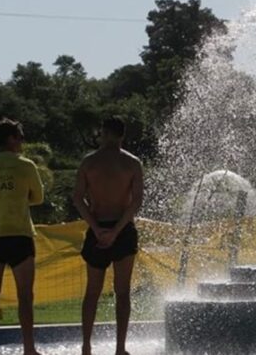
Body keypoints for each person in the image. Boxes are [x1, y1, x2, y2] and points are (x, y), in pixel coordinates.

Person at [72, 116, 143, 355]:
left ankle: (86, 346)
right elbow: (136, 203)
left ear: (103, 132)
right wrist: (116, 231)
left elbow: (77, 199)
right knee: (122, 292)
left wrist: (96, 228)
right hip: (122, 231)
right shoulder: (132, 163)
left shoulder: (89, 162)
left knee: (92, 291)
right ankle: (120, 348)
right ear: (122, 135)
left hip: (98, 228)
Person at [0, 118, 44, 355]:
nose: (22, 142)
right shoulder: (26, 166)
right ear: (11, 138)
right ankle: (29, 349)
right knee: (25, 296)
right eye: (20, 137)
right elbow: (38, 197)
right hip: (20, 234)